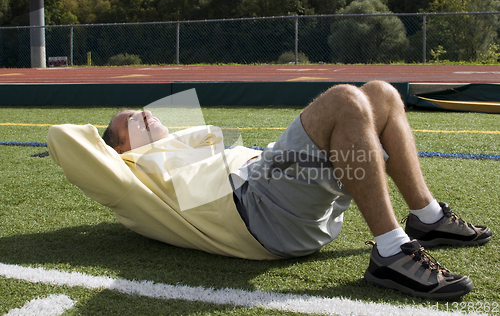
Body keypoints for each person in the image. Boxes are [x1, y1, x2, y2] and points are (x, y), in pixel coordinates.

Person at [49, 81, 491, 300]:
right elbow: (62, 137)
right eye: (134, 119)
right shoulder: (132, 174)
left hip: (271, 187)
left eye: (146, 111)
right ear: (119, 145)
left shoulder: (187, 140)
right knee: (343, 100)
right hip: (256, 210)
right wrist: (106, 143)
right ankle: (392, 252)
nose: (146, 114)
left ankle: (428, 218)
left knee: (381, 93)